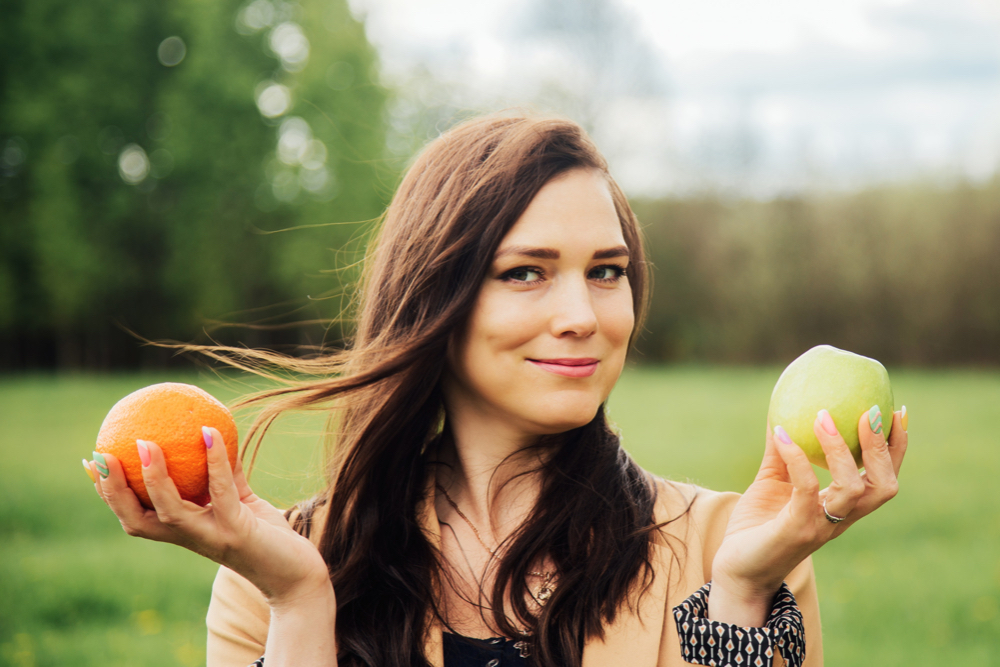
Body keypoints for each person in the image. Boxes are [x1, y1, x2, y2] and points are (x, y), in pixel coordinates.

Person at [88, 113, 907, 667]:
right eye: (527, 272)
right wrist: (304, 601)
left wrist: (737, 596)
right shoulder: (276, 568)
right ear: (434, 296)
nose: (583, 314)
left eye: (607, 272)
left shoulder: (738, 548)